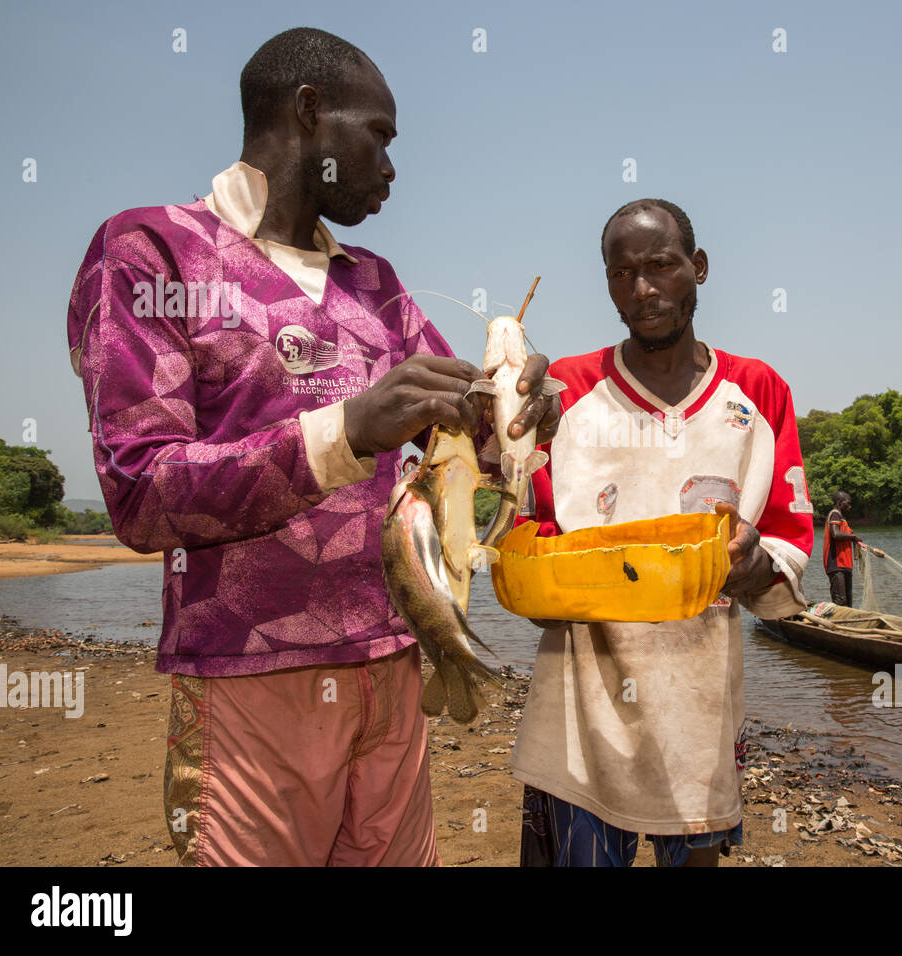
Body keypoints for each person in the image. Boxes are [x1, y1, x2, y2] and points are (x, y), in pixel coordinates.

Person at [65, 28, 557, 866]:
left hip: (400, 666)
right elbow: (141, 493)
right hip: (248, 682)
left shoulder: (377, 282)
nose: (393, 169)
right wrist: (347, 431)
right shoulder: (151, 250)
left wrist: (516, 405)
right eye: (381, 137)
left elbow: (462, 430)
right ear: (308, 112)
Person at [510, 199, 814, 867]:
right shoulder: (568, 393)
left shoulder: (758, 391)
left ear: (698, 268)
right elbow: (526, 543)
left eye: (660, 266)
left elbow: (789, 547)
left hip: (698, 707)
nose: (642, 290)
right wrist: (501, 419)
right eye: (621, 274)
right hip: (580, 710)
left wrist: (751, 563)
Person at [823, 491, 863, 606]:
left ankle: (846, 623)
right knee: (840, 600)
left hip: (845, 564)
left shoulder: (842, 518)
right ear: (840, 502)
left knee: (848, 602)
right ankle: (834, 622)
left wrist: (853, 539)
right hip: (836, 563)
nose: (850, 506)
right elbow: (835, 534)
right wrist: (853, 536)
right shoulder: (835, 514)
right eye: (848, 503)